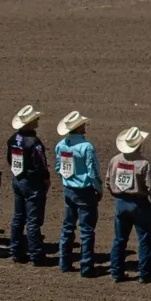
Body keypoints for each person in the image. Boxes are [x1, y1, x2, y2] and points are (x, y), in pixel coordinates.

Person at [106, 126, 151, 284]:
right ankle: (144, 274)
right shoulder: (144, 163)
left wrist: (117, 196)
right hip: (139, 204)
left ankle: (116, 272)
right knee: (144, 239)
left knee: (119, 239)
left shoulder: (115, 160)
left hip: (121, 202)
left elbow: (108, 182)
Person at [53, 110, 100, 276]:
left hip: (69, 189)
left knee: (68, 226)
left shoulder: (61, 145)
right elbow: (92, 171)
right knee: (86, 230)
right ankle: (86, 266)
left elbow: (59, 168)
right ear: (79, 127)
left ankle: (64, 262)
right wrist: (98, 189)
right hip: (84, 190)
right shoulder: (86, 147)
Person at [6, 104, 49, 266]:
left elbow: (10, 160)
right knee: (33, 220)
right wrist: (45, 179)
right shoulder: (34, 142)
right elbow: (40, 164)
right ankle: (36, 255)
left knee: (18, 218)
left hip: (18, 180)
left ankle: (16, 251)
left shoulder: (13, 139)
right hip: (32, 183)